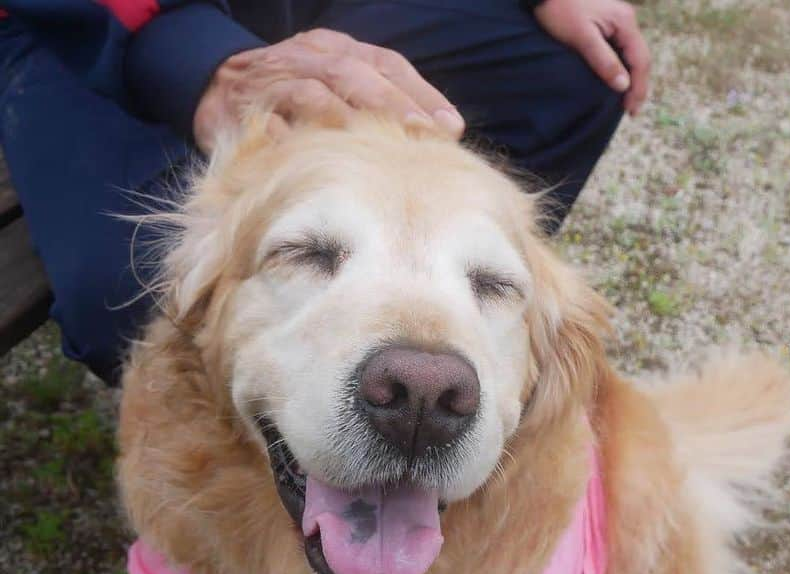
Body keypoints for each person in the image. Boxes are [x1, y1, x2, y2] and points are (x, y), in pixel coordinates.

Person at [0, 0, 650, 384]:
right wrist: (195, 61)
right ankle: (242, 474)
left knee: (572, 73)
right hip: (74, 23)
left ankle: (464, 330)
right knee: (136, 281)